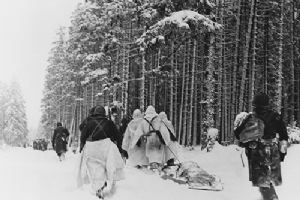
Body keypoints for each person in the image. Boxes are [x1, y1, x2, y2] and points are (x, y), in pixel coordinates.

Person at [234, 93, 288, 200]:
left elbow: (238, 135)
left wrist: (248, 145)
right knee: (268, 181)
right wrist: (282, 153)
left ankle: (271, 198)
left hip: (256, 151)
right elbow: (284, 136)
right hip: (272, 150)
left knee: (263, 183)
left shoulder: (250, 117)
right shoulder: (275, 116)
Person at [77, 105, 125, 199]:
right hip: (106, 146)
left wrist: (82, 146)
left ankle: (99, 186)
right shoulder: (109, 123)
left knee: (95, 167)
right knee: (107, 165)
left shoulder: (89, 122)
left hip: (92, 148)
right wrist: (119, 148)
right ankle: (106, 182)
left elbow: (83, 135)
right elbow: (117, 136)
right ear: (104, 113)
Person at [133, 106, 172, 171]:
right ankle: (158, 170)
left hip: (149, 141)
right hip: (158, 141)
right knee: (158, 157)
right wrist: (167, 141)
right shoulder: (159, 120)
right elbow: (164, 131)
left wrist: (134, 142)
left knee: (151, 157)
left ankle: (152, 169)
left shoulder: (143, 121)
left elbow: (138, 133)